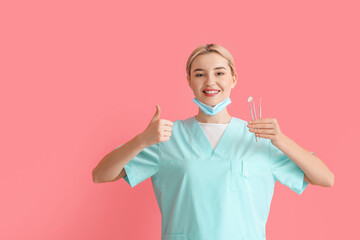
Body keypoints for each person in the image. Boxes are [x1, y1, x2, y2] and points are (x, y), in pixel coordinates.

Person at [92, 43, 334, 240]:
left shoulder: (259, 137)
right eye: (200, 74)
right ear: (189, 80)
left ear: (233, 78)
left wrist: (281, 140)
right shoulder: (166, 136)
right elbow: (101, 174)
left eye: (219, 73)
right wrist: (142, 140)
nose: (210, 82)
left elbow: (325, 178)